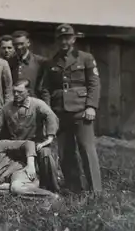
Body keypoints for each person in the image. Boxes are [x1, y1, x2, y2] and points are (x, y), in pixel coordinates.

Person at [41, 23, 102, 193]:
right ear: (56, 40)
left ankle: (96, 191)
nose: (64, 41)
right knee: (65, 152)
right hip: (59, 112)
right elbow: (46, 88)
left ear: (74, 39)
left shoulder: (86, 58)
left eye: (67, 37)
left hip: (81, 111)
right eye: (61, 38)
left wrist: (91, 106)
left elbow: (94, 84)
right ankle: (74, 188)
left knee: (87, 149)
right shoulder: (51, 62)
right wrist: (48, 112)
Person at [0, 79, 60, 192]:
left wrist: (49, 137)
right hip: (17, 146)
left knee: (46, 154)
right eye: (14, 91)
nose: (16, 94)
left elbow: (51, 116)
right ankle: (17, 185)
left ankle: (53, 188)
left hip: (35, 145)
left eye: (20, 92)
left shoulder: (37, 104)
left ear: (28, 92)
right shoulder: (7, 107)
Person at [0, 127, 62, 210]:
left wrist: (30, 164)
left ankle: (52, 197)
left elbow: (28, 143)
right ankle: (33, 198)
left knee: (16, 187)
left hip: (19, 173)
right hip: (3, 183)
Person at [10, 30, 46, 98]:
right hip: (15, 101)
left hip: (33, 102)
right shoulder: (10, 62)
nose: (18, 47)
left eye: (21, 44)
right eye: (16, 44)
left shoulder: (40, 61)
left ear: (28, 43)